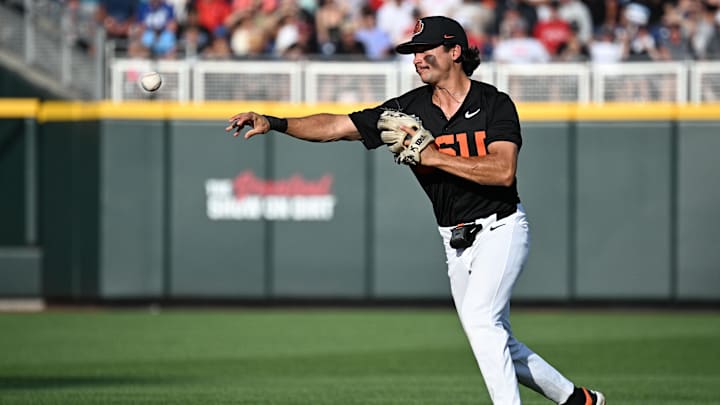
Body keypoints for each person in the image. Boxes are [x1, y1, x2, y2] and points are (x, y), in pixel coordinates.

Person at [225, 15, 606, 405]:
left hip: (501, 228)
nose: (417, 59)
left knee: (480, 321)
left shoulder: (494, 103)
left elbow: (503, 172)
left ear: (455, 51)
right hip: (454, 241)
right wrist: (274, 121)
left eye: (426, 50)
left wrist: (433, 156)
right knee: (494, 337)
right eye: (413, 52)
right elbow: (337, 126)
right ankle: (579, 400)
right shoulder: (408, 111)